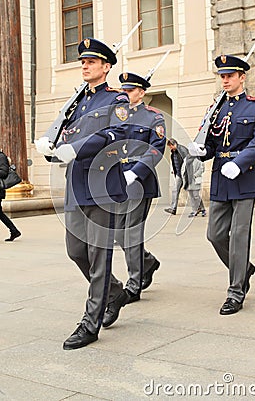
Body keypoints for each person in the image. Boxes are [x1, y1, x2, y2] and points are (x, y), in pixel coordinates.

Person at [35, 38, 131, 350]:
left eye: (91, 62)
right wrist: (51, 148)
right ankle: (114, 291)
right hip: (77, 187)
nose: (85, 66)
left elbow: (113, 135)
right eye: (83, 62)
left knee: (98, 256)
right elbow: (64, 137)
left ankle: (90, 323)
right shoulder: (77, 103)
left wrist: (74, 149)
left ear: (106, 66)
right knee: (76, 251)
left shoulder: (117, 101)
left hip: (103, 186)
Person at [188, 54, 255, 315]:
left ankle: (236, 291)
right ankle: (244, 268)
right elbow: (211, 145)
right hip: (221, 179)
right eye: (222, 76)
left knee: (238, 236)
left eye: (230, 76)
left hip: (244, 176)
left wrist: (240, 162)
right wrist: (201, 151)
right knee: (214, 234)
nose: (225, 80)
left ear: (242, 77)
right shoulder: (216, 109)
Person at [102, 72, 166, 328]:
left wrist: (136, 171)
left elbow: (156, 148)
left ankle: (135, 281)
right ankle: (148, 262)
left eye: (130, 90)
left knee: (132, 233)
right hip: (118, 180)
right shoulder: (118, 114)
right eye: (124, 90)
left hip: (140, 181)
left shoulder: (153, 117)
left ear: (141, 92)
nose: (126, 94)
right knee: (118, 233)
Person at [164, 138, 188, 215]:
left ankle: (200, 207)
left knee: (192, 192)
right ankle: (173, 208)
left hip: (185, 174)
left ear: (174, 144)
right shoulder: (173, 152)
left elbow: (188, 162)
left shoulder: (182, 150)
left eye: (170, 146)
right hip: (179, 174)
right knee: (175, 190)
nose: (170, 148)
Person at [181, 153, 206, 217]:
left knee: (196, 196)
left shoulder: (198, 159)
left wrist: (195, 175)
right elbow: (183, 168)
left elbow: (202, 169)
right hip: (188, 181)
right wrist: (183, 175)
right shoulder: (186, 159)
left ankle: (202, 209)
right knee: (191, 197)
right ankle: (194, 210)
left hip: (194, 180)